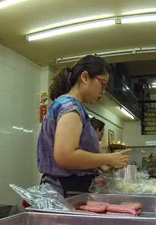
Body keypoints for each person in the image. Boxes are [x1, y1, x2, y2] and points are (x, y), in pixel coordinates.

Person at [37, 55, 130, 197]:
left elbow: (74, 157)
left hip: (67, 189)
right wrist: (108, 158)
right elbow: (66, 156)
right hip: (64, 191)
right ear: (85, 77)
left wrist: (101, 165)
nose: (103, 92)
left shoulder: (68, 106)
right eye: (102, 84)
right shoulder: (71, 107)